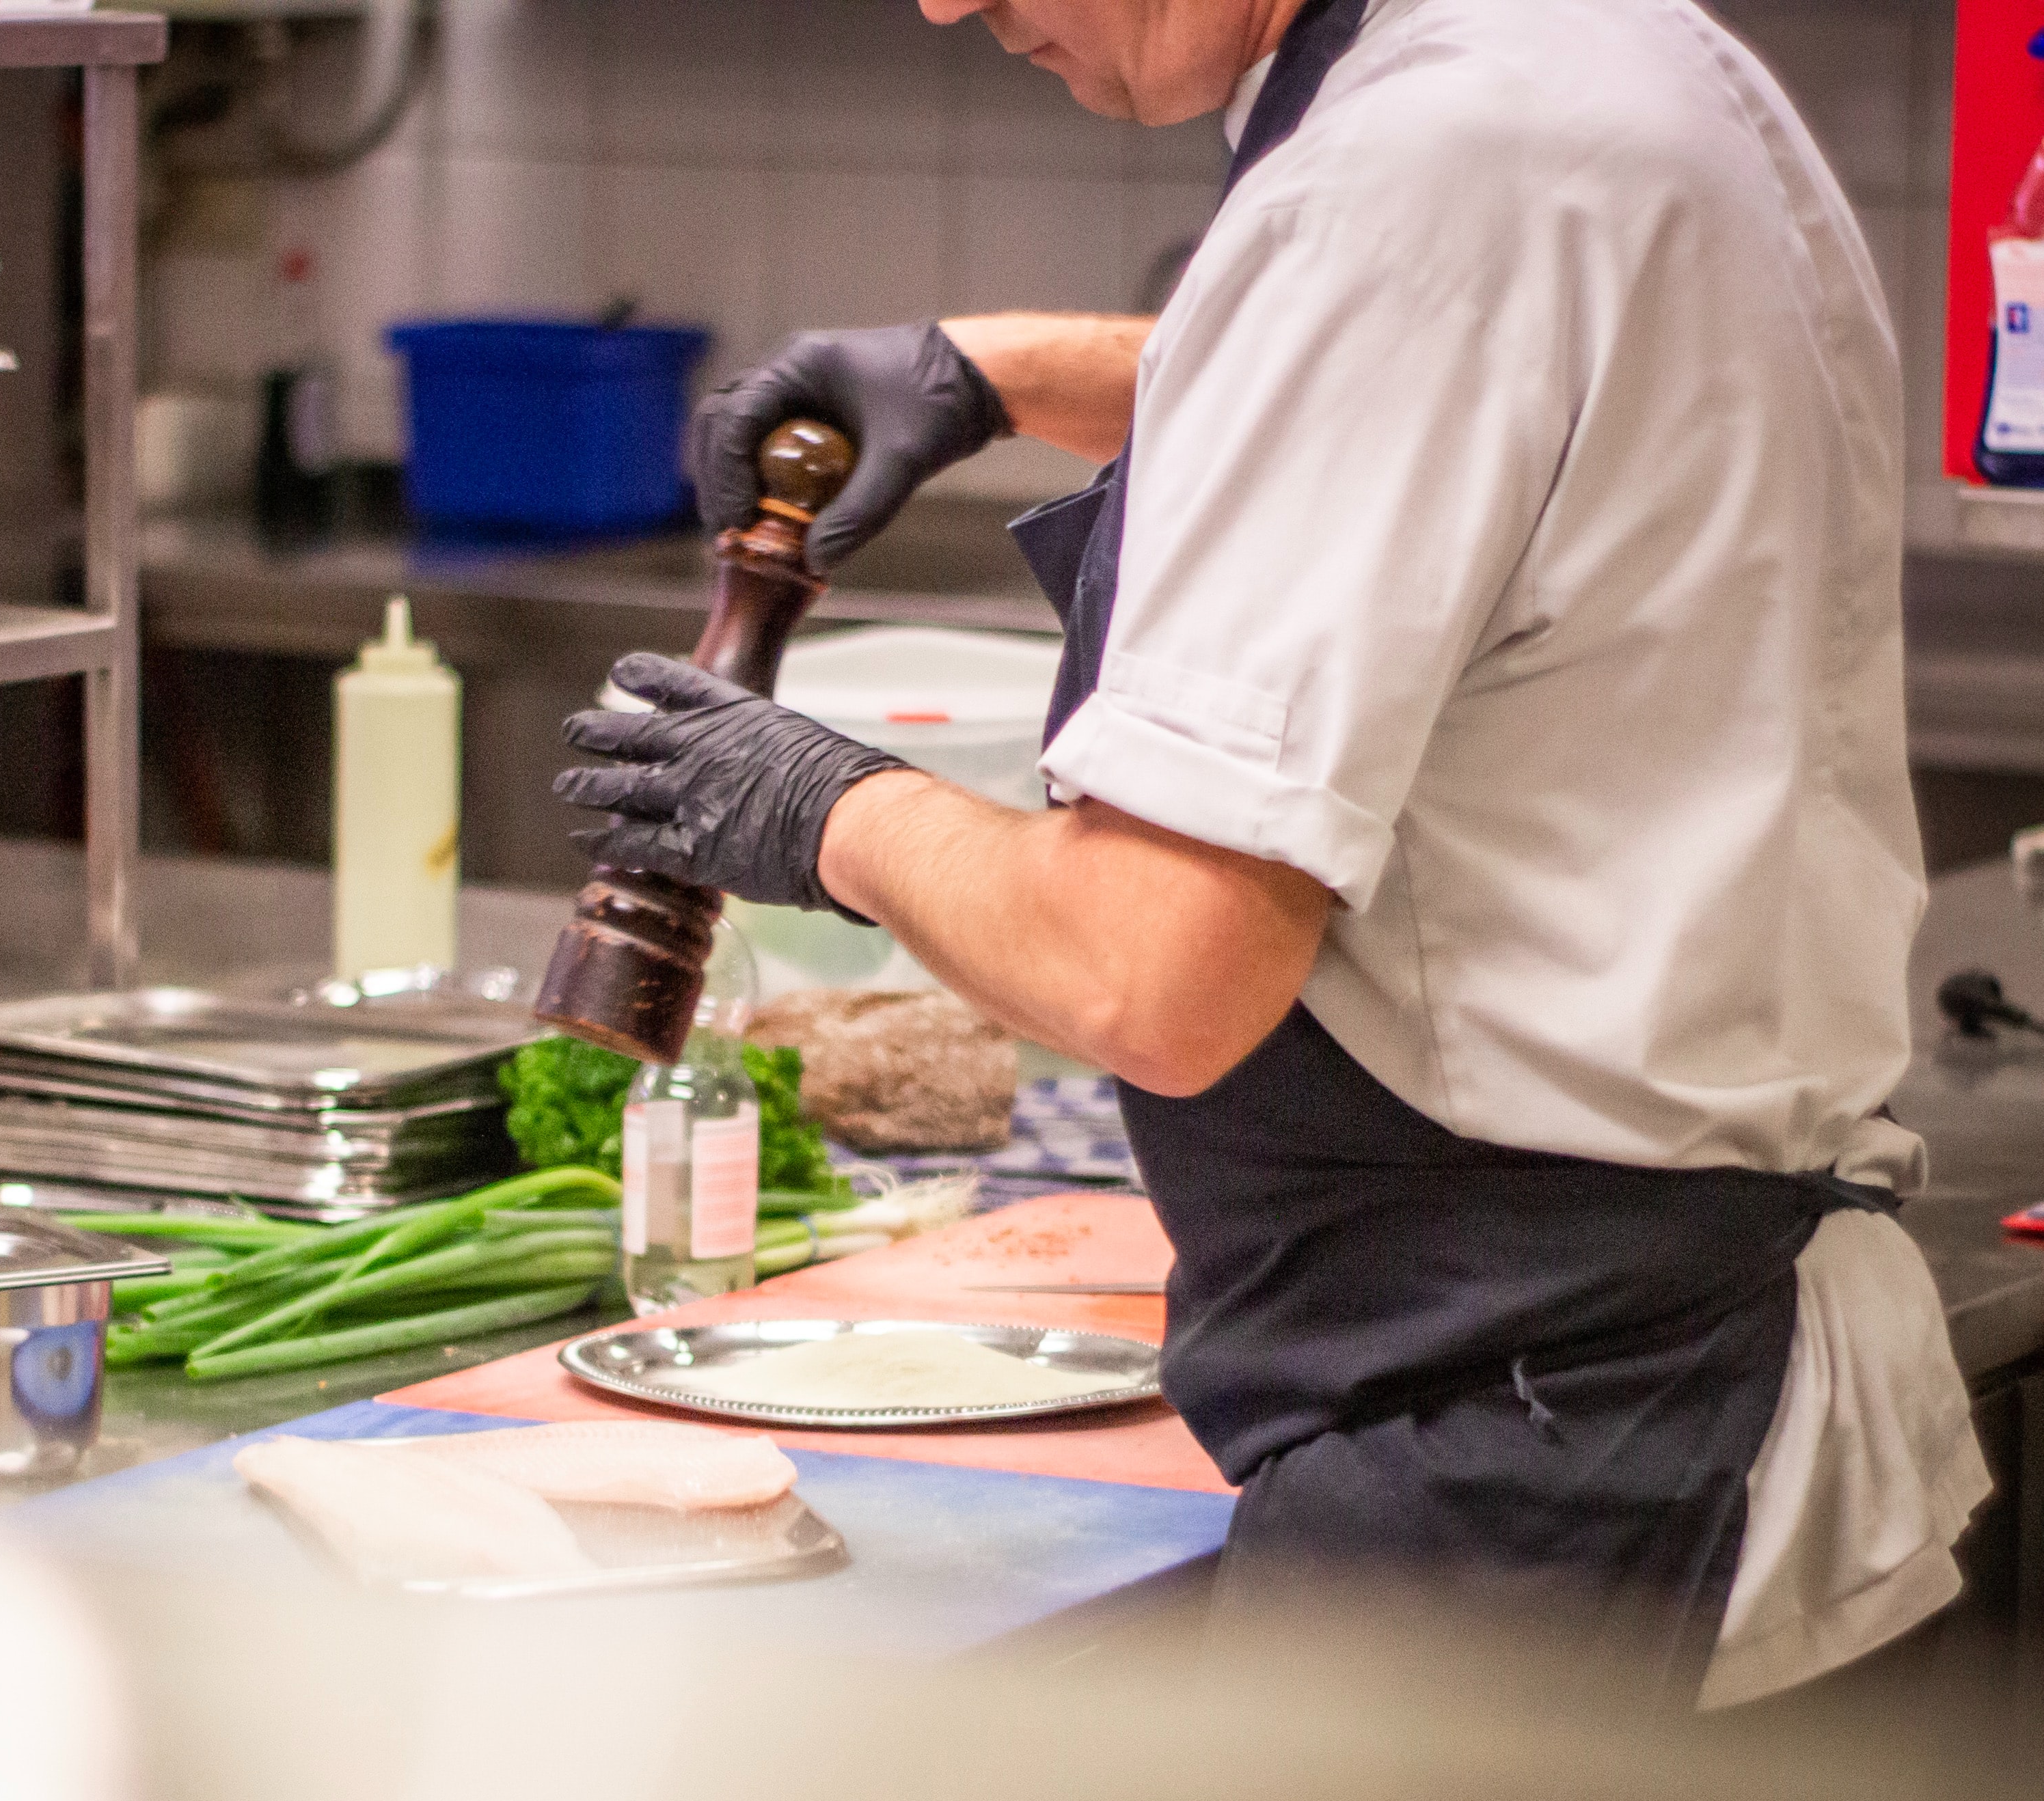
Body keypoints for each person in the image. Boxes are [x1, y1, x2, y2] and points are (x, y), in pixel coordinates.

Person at [551, 0, 1987, 1707]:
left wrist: (819, 808)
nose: (941, 1)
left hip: (1522, 1464)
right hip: (1657, 1379)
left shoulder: (1403, 183)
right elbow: (1432, 386)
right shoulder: (1590, 53)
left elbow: (1148, 974)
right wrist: (995, 376)